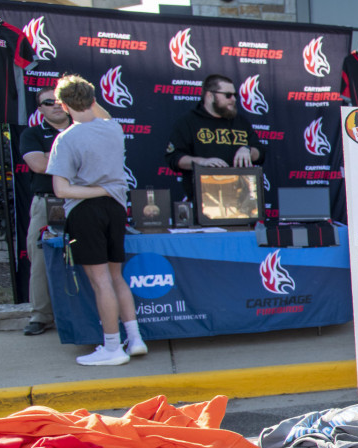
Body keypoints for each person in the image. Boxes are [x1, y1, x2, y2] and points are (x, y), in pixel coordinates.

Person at [45, 75, 146, 366]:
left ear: (63, 106)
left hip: (85, 211)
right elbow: (102, 112)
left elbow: (61, 190)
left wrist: (98, 190)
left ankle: (113, 347)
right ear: (92, 100)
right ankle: (135, 339)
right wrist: (108, 191)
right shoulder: (113, 127)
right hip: (115, 209)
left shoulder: (65, 139)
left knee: (101, 281)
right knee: (116, 277)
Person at [17, 86, 72, 336]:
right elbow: (38, 165)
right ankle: (41, 316)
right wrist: (74, 156)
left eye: (59, 100)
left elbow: (96, 161)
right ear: (40, 109)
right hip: (47, 203)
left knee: (90, 255)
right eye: (48, 102)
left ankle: (88, 310)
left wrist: (53, 156)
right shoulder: (32, 133)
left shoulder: (83, 129)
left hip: (82, 201)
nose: (55, 105)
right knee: (40, 260)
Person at [165, 73, 259, 200]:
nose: (233, 99)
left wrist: (247, 149)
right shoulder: (188, 122)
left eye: (235, 95)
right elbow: (174, 158)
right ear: (210, 95)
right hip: (205, 198)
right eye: (228, 95)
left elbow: (260, 153)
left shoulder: (241, 122)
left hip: (241, 199)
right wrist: (202, 162)